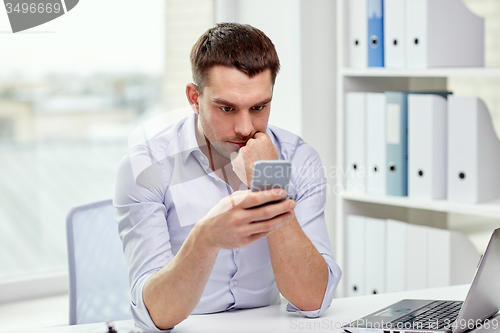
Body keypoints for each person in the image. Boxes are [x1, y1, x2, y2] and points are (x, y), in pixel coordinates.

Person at [114, 22, 341, 332]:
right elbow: (155, 315)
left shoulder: (299, 158)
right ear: (194, 98)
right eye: (227, 108)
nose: (246, 127)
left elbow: (313, 300)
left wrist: (270, 183)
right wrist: (205, 239)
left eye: (259, 107)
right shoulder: (147, 167)